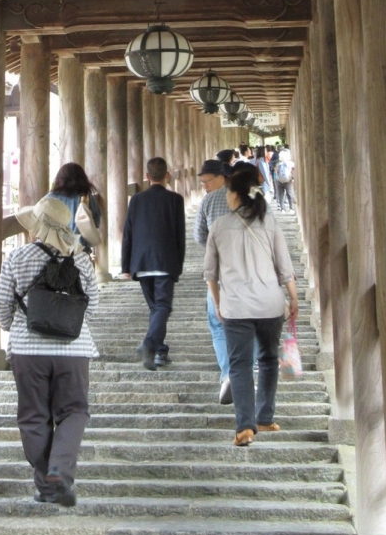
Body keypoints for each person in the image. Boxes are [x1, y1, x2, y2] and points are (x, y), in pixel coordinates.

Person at [0, 194, 99, 507]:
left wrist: (15, 327)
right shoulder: (81, 259)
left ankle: (46, 481)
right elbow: (92, 305)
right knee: (74, 411)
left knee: (33, 416)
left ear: (37, 227)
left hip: (28, 351)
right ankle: (58, 471)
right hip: (74, 350)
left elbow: (0, 302)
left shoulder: (18, 256)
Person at [204, 163, 298, 446]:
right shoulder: (269, 222)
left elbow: (210, 274)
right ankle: (265, 418)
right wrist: (293, 298)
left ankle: (245, 426)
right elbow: (285, 268)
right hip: (270, 305)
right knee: (268, 359)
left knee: (240, 365)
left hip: (236, 307)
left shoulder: (219, 226)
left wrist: (218, 303)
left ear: (234, 194)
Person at [119, 156, 186, 370]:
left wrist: (126, 266)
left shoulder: (136, 200)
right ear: (168, 175)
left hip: (141, 262)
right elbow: (180, 235)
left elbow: (128, 233)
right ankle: (150, 344)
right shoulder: (175, 200)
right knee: (162, 307)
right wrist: (178, 265)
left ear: (147, 176)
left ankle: (159, 352)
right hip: (165, 261)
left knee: (156, 309)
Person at [194, 158, 232, 403]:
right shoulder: (252, 197)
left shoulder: (208, 201)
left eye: (208, 181)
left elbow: (199, 235)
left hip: (218, 270)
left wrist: (212, 248)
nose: (205, 186)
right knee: (249, 324)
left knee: (218, 324)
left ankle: (228, 373)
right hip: (250, 273)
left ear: (222, 177)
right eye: (203, 182)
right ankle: (243, 371)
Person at [48, 162, 103, 253]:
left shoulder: (49, 198)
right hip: (80, 249)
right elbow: (96, 220)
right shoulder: (85, 197)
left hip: (54, 248)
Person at [274, 145, 296, 212]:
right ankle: (291, 208)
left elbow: (276, 172)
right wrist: (293, 178)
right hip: (288, 180)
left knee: (281, 195)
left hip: (279, 181)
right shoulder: (291, 163)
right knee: (290, 194)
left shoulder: (278, 164)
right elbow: (293, 172)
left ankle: (282, 209)